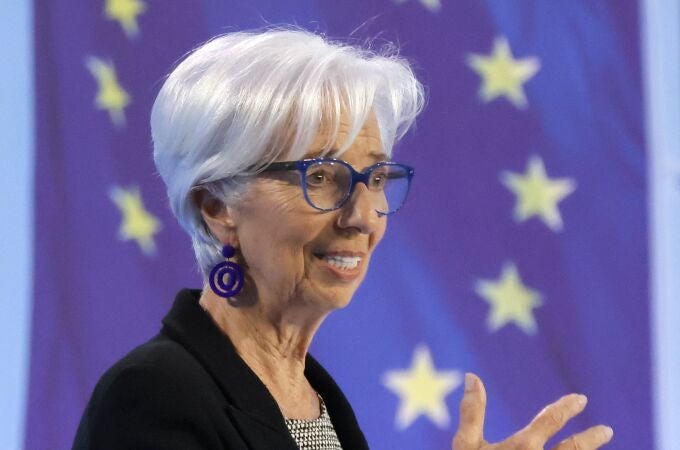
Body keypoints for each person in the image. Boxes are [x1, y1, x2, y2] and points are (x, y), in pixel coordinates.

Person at [72, 28, 613, 450]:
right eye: (321, 177)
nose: (362, 216)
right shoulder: (154, 396)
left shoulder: (316, 399)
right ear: (217, 207)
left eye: (375, 178)